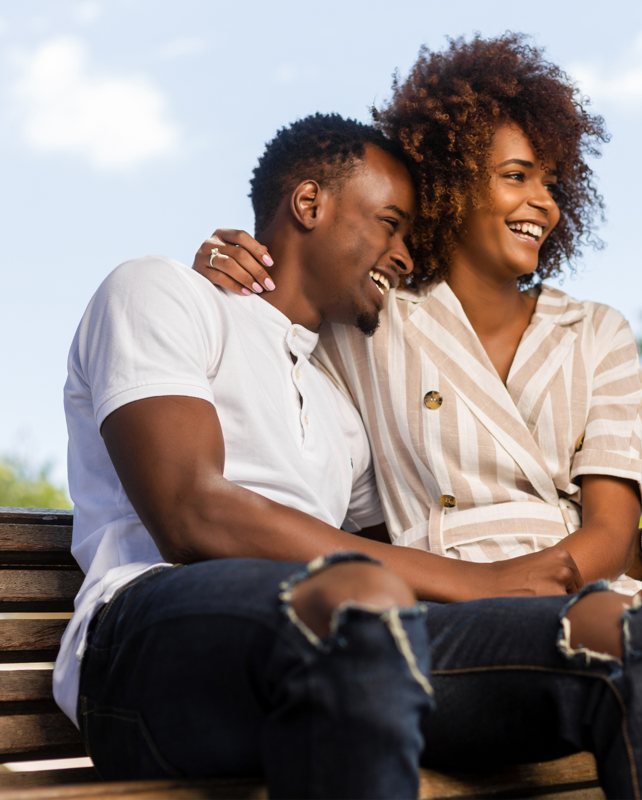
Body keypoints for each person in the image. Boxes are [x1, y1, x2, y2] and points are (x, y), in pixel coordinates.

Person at [193, 35, 642, 800]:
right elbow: (290, 292)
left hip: (581, 586)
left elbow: (611, 531)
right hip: (450, 605)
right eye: (516, 177)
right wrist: (231, 259)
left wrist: (563, 574)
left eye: (553, 182)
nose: (542, 203)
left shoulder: (597, 332)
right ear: (449, 182)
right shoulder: (376, 315)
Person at [57, 115, 438, 800]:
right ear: (310, 204)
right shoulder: (161, 289)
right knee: (358, 602)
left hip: (328, 644)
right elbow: (190, 513)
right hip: (142, 640)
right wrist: (485, 582)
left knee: (627, 635)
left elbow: (399, 542)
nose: (405, 256)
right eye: (391, 224)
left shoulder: (337, 406)